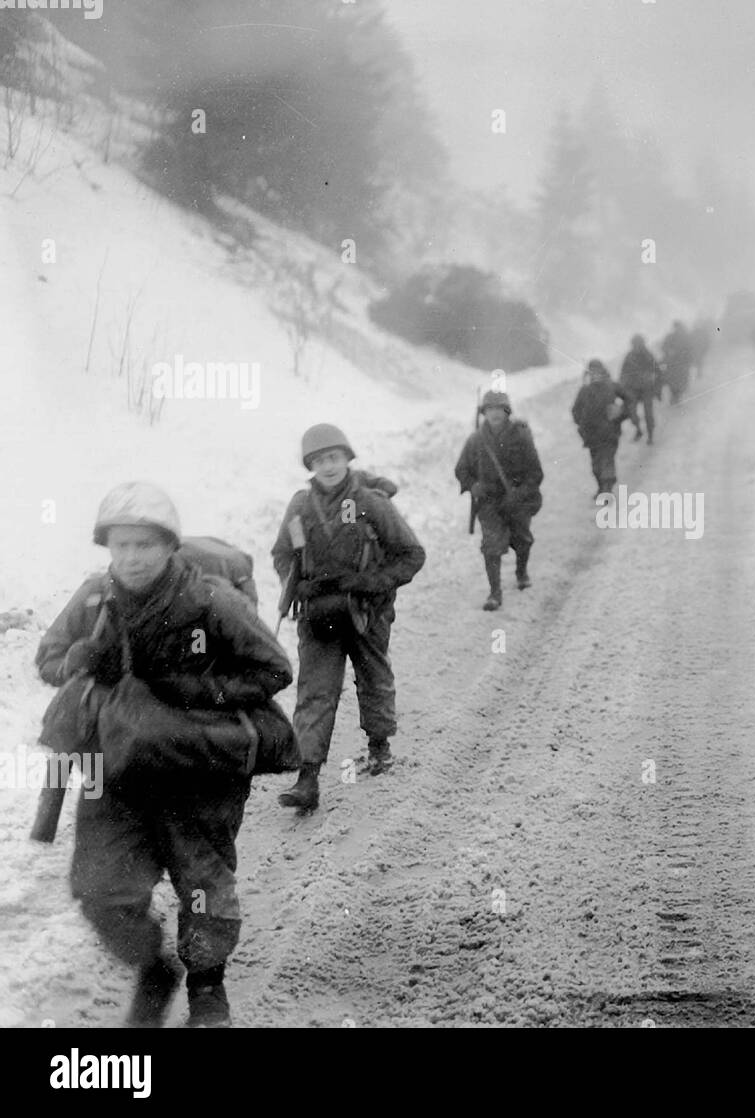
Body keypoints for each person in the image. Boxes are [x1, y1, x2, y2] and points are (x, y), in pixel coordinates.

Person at [35, 482, 294, 1027]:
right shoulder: (93, 599)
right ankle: (154, 966)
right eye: (120, 546)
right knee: (100, 889)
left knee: (202, 886)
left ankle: (207, 989)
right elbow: (50, 659)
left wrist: (189, 692)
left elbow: (273, 669)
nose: (131, 558)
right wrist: (79, 658)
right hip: (117, 768)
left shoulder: (210, 601)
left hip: (194, 765)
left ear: (169, 546)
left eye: (144, 546)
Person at [273, 424, 426, 810]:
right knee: (315, 691)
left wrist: (368, 582)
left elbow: (411, 554)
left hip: (366, 611)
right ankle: (307, 777)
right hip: (319, 612)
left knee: (373, 677)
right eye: (320, 460)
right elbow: (282, 554)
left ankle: (379, 746)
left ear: (347, 459)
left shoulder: (370, 502)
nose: (328, 466)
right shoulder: (300, 506)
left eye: (334, 457)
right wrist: (295, 585)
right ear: (310, 464)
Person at [455, 391, 544, 611]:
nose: (494, 414)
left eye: (499, 409)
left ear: (507, 411)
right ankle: (495, 592)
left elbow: (535, 472)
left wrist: (521, 493)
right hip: (489, 502)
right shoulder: (476, 440)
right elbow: (461, 470)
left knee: (522, 540)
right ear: (483, 412)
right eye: (489, 409)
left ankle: (521, 572)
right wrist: (473, 486)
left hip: (518, 501)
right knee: (491, 546)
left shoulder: (521, 435)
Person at [572, 359, 634, 499]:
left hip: (609, 432)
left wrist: (621, 413)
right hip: (592, 435)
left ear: (603, 372)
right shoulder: (585, 391)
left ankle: (606, 489)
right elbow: (575, 411)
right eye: (592, 372)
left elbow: (629, 399)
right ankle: (602, 488)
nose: (595, 375)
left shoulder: (612, 386)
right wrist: (582, 423)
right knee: (596, 466)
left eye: (598, 372)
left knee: (606, 461)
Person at [619, 334, 661, 444]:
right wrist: (622, 388)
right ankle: (638, 430)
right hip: (633, 389)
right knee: (632, 412)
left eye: (639, 344)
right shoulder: (629, 357)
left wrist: (656, 387)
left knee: (648, 414)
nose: (636, 346)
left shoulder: (648, 355)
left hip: (647, 389)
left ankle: (650, 435)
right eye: (635, 344)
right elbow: (623, 374)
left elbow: (657, 371)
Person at [661, 321, 693, 404]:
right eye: (676, 327)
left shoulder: (685, 338)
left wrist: (686, 358)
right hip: (672, 364)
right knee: (672, 381)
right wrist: (668, 351)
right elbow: (664, 347)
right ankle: (674, 396)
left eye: (678, 327)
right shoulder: (670, 337)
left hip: (682, 364)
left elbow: (690, 350)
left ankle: (677, 396)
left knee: (680, 381)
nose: (677, 329)